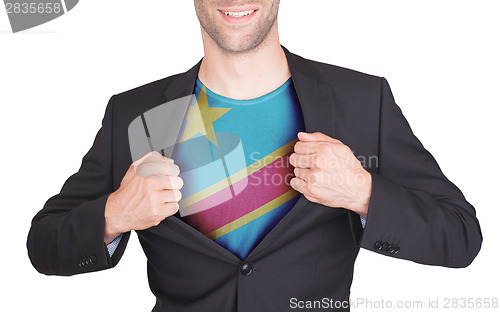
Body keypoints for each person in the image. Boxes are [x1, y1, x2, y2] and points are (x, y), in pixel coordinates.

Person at [27, 1, 482, 311]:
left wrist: (363, 192)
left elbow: (460, 236)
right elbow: (44, 245)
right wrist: (114, 214)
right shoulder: (135, 113)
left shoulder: (362, 101)